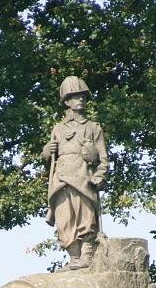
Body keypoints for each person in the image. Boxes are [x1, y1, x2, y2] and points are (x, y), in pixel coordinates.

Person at [42, 76, 108, 270]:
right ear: (67, 101)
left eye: (83, 97)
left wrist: (99, 175)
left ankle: (87, 257)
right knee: (65, 221)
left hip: (83, 178)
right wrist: (47, 152)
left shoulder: (93, 128)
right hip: (61, 178)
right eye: (75, 96)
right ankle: (74, 258)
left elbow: (103, 160)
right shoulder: (58, 129)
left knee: (86, 219)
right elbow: (50, 159)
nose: (81, 100)